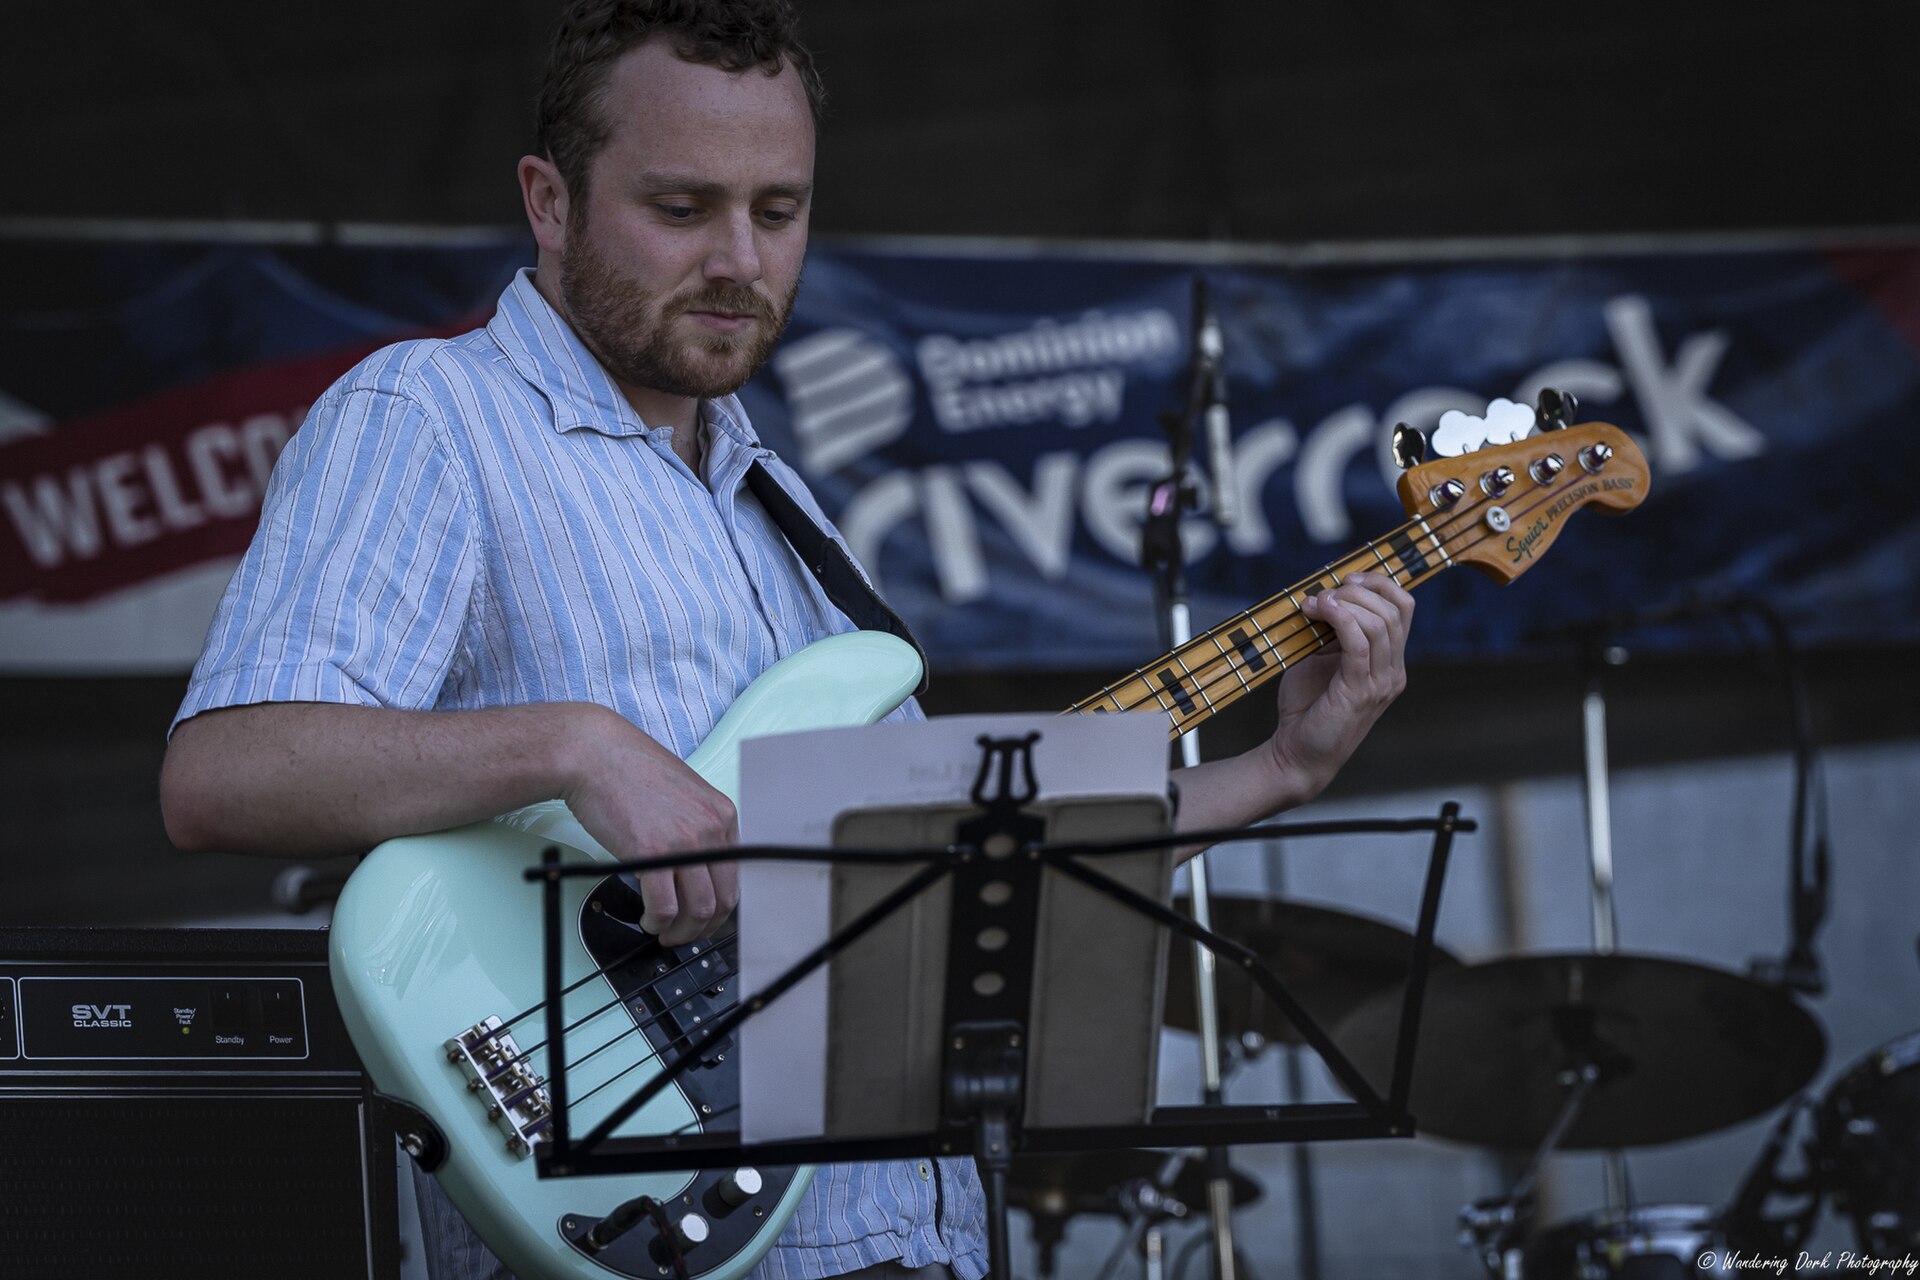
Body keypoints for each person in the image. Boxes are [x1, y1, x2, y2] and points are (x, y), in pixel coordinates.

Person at [159, 2, 1414, 1277]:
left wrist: (1277, 770)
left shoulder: (786, 506)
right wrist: (576, 745)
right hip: (632, 1208)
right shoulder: (428, 417)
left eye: (778, 210)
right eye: (683, 206)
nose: (740, 260)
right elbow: (221, 775)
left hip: (899, 1231)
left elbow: (955, 872)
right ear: (549, 200)